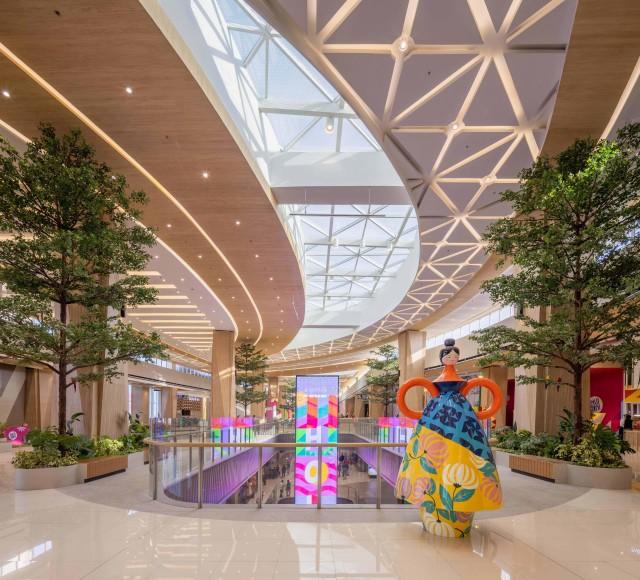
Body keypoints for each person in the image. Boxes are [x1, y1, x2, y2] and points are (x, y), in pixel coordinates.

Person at [395, 338, 503, 538]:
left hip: (445, 428)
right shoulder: (446, 399)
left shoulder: (445, 399)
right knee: (443, 468)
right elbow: (404, 395)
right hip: (446, 426)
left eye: (455, 355)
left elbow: (404, 397)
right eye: (449, 355)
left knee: (436, 466)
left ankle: (444, 514)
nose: (452, 358)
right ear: (443, 358)